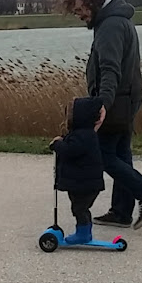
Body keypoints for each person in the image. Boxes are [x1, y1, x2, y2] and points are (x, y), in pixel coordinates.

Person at [60, 0, 142, 230]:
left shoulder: (110, 25)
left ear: (89, 1)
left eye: (79, 9)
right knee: (120, 155)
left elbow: (110, 69)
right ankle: (121, 212)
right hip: (127, 98)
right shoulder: (117, 19)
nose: (78, 15)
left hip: (117, 101)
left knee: (104, 155)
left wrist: (102, 104)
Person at [49, 97, 105, 244]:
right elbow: (71, 144)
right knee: (80, 207)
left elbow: (71, 150)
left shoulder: (84, 135)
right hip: (82, 181)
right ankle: (84, 231)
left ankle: (84, 234)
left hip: (84, 182)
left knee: (80, 208)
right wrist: (62, 140)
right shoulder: (82, 133)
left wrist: (56, 145)